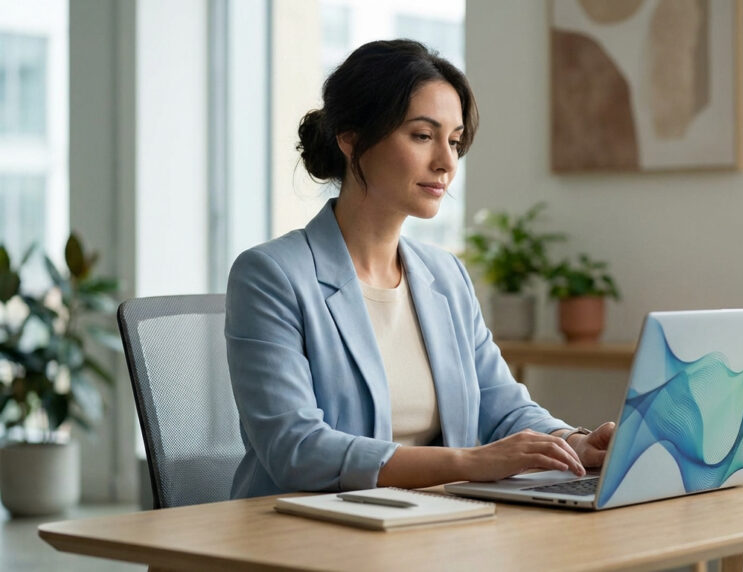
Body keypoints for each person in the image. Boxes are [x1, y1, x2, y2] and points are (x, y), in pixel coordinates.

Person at [225, 39, 615, 498]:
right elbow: (298, 451)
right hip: (304, 534)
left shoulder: (444, 275)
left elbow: (502, 408)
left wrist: (573, 442)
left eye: (453, 141)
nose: (447, 162)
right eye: (423, 136)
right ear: (351, 139)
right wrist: (469, 462)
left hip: (429, 525)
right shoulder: (271, 275)